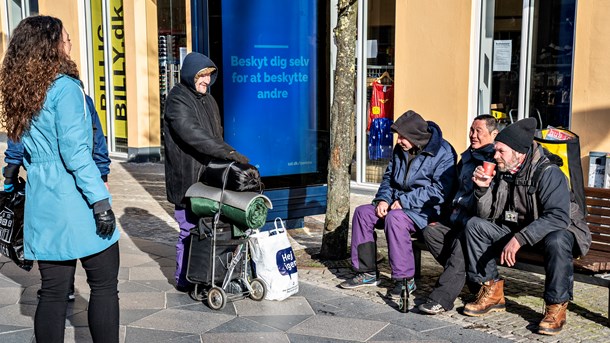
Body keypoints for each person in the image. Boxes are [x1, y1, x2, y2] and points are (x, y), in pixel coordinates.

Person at [0, 15, 119, 342]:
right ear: (52, 46)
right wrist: (101, 202)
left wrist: (8, 184)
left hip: (44, 204)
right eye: (65, 37)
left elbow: (18, 151)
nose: (69, 43)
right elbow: (76, 154)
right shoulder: (65, 89)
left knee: (52, 293)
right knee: (105, 286)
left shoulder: (23, 91)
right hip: (76, 203)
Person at [463, 117, 591, 335]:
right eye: (496, 151)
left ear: (519, 153)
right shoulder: (504, 172)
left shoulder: (549, 173)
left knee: (558, 238)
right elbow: (487, 215)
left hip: (554, 234)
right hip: (521, 232)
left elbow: (559, 217)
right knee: (475, 225)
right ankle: (491, 290)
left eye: (501, 151)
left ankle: (556, 305)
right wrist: (483, 190)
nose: (495, 156)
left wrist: (519, 239)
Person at [3, 94, 111, 302]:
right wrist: (102, 175)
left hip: (43, 184)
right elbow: (94, 137)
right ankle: (63, 286)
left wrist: (10, 173)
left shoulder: (26, 96)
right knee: (88, 243)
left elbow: (17, 139)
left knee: (55, 236)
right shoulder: (76, 96)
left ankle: (61, 287)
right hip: (78, 180)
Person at [339, 110, 456, 300]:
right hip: (397, 203)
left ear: (415, 136)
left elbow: (440, 190)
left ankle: (405, 279)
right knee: (363, 213)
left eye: (402, 137)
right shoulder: (400, 149)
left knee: (395, 220)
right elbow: (389, 178)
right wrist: (383, 199)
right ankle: (366, 272)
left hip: (427, 209)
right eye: (398, 136)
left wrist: (404, 201)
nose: (399, 140)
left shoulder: (443, 152)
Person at [163, 52, 250, 292]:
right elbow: (194, 135)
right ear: (191, 74)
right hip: (187, 178)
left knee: (208, 228)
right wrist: (229, 154)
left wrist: (225, 158)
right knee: (188, 228)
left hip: (208, 176)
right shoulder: (177, 99)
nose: (206, 81)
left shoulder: (208, 100)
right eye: (202, 76)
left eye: (209, 76)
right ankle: (184, 278)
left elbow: (216, 135)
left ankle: (206, 274)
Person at [417, 115, 498, 314]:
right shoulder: (467, 157)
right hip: (456, 219)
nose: (473, 135)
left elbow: (488, 206)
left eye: (479, 131)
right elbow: (455, 192)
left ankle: (441, 299)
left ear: (493, 134)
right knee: (430, 232)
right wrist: (443, 219)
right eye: (471, 130)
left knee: (462, 243)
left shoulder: (494, 161)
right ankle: (471, 278)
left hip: (477, 225)